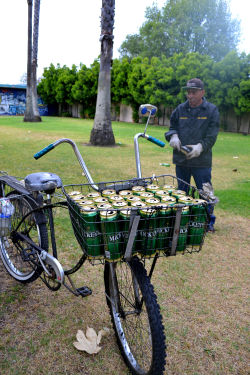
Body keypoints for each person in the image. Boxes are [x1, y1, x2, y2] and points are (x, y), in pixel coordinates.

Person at [165, 78, 219, 231]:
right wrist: (173, 136)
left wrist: (200, 147)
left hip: (201, 161)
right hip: (181, 159)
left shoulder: (211, 110)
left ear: (202, 92)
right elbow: (172, 127)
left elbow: (211, 136)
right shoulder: (180, 109)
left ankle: (208, 222)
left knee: (205, 192)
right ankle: (182, 221)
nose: (190, 95)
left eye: (194, 92)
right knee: (182, 192)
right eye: (188, 92)